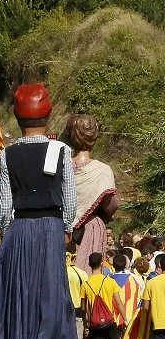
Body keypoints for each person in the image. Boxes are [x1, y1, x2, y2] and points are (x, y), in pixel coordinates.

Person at [0, 83, 81, 339]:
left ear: (19, 119)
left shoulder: (8, 154)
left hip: (20, 228)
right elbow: (70, 197)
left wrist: (7, 235)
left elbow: (4, 205)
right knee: (51, 298)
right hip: (50, 226)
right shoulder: (61, 151)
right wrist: (66, 227)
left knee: (22, 299)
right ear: (47, 115)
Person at [62, 114, 119, 275]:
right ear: (94, 138)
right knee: (89, 275)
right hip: (92, 227)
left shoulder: (60, 167)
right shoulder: (103, 170)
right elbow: (111, 205)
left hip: (61, 228)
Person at [80, 252, 128, 339]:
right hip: (109, 321)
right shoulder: (109, 281)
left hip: (95, 324)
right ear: (102, 263)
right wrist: (125, 318)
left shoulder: (86, 284)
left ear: (89, 265)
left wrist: (86, 323)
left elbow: (84, 308)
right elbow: (118, 303)